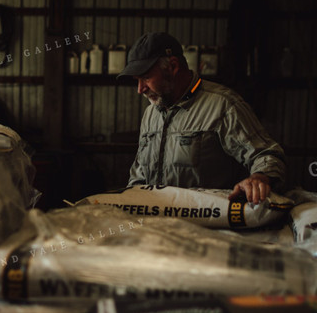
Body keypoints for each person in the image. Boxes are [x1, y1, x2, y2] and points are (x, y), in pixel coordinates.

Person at [119, 32, 286, 204]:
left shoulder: (223, 106)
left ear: (172, 67)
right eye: (136, 80)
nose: (140, 89)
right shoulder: (150, 114)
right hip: (157, 224)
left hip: (207, 226)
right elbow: (139, 176)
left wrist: (259, 178)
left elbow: (267, 155)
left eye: (146, 78)